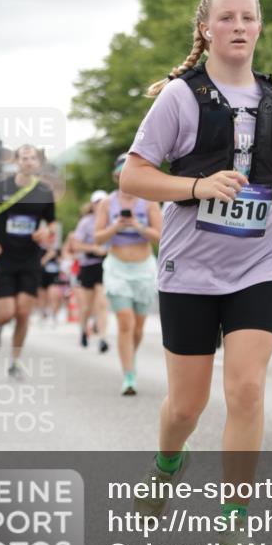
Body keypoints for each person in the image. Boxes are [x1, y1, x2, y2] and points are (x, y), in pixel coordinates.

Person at [120, 0, 272, 545]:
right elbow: (133, 177)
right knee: (187, 406)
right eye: (226, 17)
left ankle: (235, 526)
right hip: (190, 269)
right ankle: (167, 463)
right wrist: (197, 186)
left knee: (249, 390)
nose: (238, 26)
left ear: (260, 27)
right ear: (205, 29)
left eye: (248, 17)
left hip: (259, 262)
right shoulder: (180, 98)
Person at [0, 145, 57, 378]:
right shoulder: (1, 188)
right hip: (5, 257)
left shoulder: (44, 192)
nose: (28, 162)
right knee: (6, 313)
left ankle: (14, 362)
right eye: (24, 158)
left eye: (33, 158)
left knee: (23, 312)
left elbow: (52, 223)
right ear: (16, 161)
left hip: (30, 258)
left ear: (38, 163)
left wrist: (46, 232)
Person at [95, 156, 162, 394]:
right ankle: (129, 375)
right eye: (122, 174)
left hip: (144, 268)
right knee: (126, 323)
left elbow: (160, 237)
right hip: (117, 268)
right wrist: (116, 227)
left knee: (138, 328)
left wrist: (137, 226)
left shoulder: (149, 202)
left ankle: (129, 359)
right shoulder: (106, 204)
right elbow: (98, 238)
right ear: (117, 176)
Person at [70, 191, 109, 349]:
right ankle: (83, 330)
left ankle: (103, 338)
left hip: (106, 265)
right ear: (92, 205)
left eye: (103, 202)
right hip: (88, 265)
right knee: (86, 306)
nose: (100, 205)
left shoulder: (111, 219)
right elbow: (76, 246)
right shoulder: (86, 222)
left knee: (102, 303)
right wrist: (93, 248)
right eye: (97, 202)